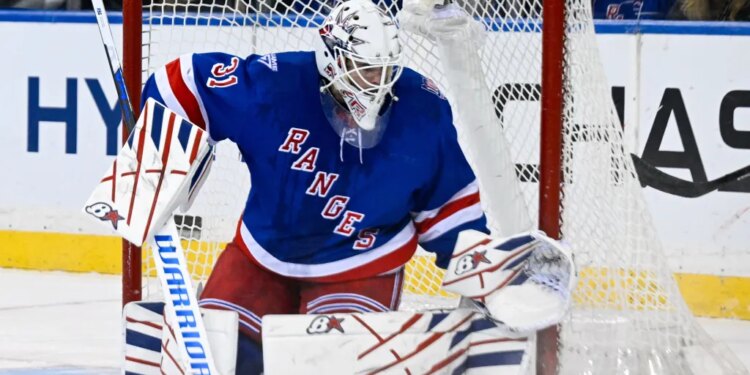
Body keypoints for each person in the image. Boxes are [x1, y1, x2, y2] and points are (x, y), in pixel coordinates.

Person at [141, 0, 488, 372]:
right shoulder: (274, 86)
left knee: (326, 364)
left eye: (385, 69)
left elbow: (449, 208)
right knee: (220, 354)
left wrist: (483, 277)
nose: (378, 80)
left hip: (362, 266)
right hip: (263, 255)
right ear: (330, 58)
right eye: (365, 69)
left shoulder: (422, 109)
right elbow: (184, 82)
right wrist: (155, 154)